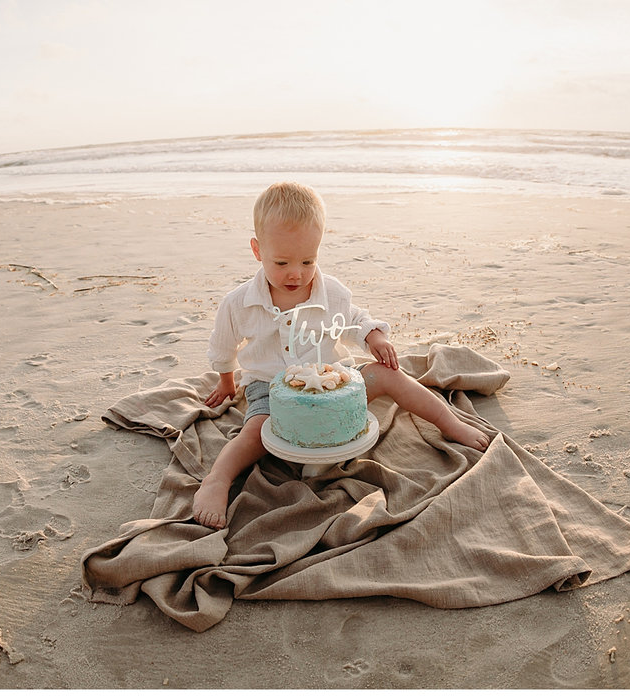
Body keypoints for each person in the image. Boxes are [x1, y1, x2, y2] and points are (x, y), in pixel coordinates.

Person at [192, 181, 490, 529]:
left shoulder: (330, 292)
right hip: (269, 386)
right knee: (257, 429)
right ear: (258, 251)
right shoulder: (239, 303)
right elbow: (223, 345)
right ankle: (218, 480)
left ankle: (449, 423)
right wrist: (227, 381)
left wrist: (373, 336)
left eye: (308, 260)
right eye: (282, 261)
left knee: (390, 374)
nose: (297, 273)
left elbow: (354, 320)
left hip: (335, 381)